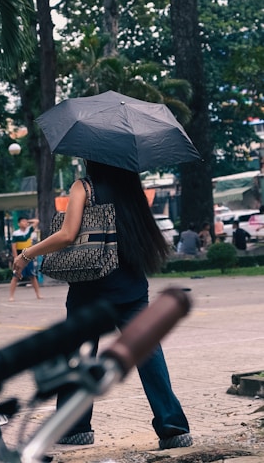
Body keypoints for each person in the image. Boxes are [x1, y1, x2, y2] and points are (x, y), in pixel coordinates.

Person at [13, 161, 193, 450]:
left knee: (80, 356)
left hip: (91, 289)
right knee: (148, 353)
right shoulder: (131, 188)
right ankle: (174, 428)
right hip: (131, 285)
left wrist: (27, 254)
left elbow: (68, 234)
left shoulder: (83, 187)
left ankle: (75, 428)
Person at [9, 216, 42, 302]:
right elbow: (14, 246)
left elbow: (36, 221)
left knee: (32, 276)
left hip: (29, 255)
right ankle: (11, 296)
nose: (25, 223)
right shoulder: (16, 233)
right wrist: (16, 257)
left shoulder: (29, 230)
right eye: (22, 222)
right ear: (19, 224)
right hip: (20, 255)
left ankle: (38, 294)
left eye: (25, 221)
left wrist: (28, 221)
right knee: (16, 276)